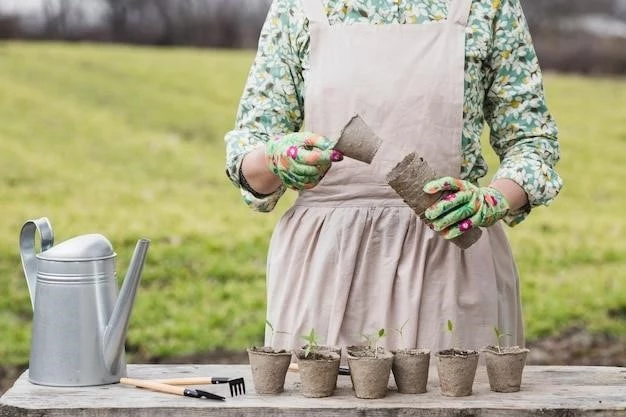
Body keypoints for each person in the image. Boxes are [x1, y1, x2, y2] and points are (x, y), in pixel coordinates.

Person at [224, 0, 562, 354]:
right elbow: (250, 162)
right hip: (326, 268)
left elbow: (532, 141)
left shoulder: (488, 6)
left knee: (458, 398)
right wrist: (276, 159)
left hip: (451, 262)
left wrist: (495, 199)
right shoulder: (297, 7)